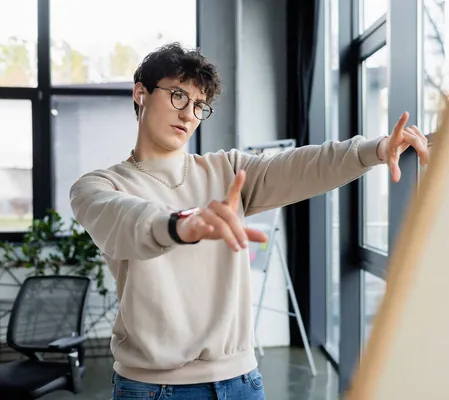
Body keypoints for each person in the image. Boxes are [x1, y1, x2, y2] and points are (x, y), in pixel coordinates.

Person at [69, 42, 429, 400]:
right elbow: (125, 221)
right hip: (153, 388)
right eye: (178, 96)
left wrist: (377, 150)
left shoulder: (227, 170)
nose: (188, 114)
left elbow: (303, 165)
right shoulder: (99, 185)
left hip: (241, 381)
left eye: (198, 105)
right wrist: (181, 223)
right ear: (141, 93)